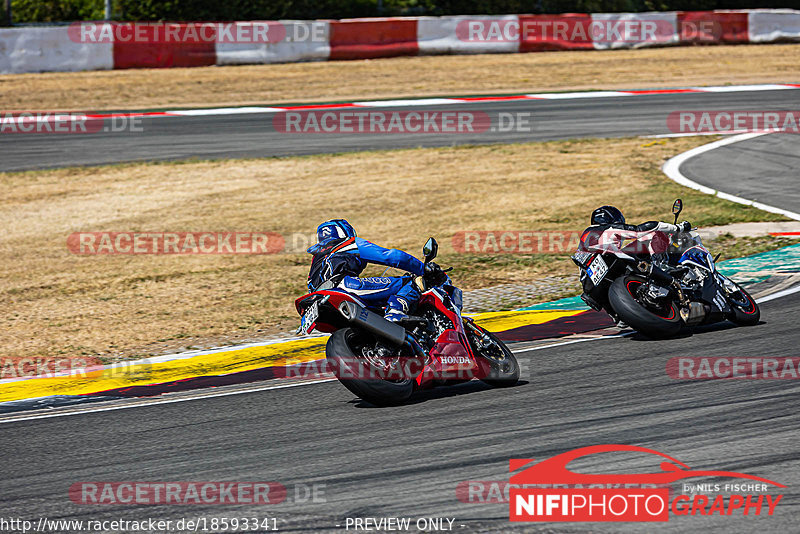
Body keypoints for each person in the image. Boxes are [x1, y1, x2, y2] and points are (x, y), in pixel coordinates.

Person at [306, 219, 445, 322]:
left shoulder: (316, 258)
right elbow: (392, 257)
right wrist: (423, 269)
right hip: (343, 287)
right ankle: (395, 312)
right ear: (345, 231)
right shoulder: (349, 243)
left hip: (318, 300)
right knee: (411, 281)